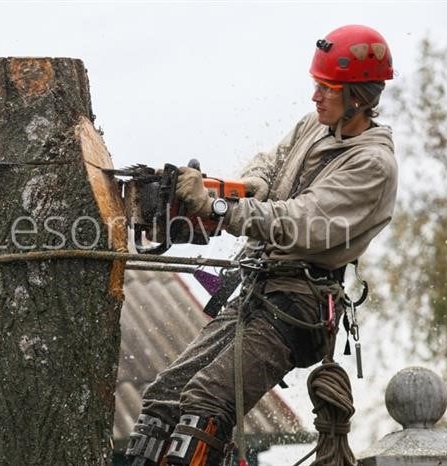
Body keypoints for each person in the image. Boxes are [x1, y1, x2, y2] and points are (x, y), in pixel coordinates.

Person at [125, 24, 398, 466]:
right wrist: (246, 187)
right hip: (257, 287)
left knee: (208, 398)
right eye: (316, 85)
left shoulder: (372, 164)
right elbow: (271, 165)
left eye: (326, 89)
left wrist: (218, 208)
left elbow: (297, 222)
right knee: (165, 396)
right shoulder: (314, 125)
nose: (315, 97)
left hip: (299, 303)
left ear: (359, 98)